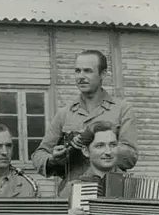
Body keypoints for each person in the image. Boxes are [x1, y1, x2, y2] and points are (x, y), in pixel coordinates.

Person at [31, 50, 139, 192]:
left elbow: (130, 157)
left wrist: (97, 143)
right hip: (72, 190)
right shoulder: (65, 113)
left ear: (103, 74)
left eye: (88, 71)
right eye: (77, 71)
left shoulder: (122, 109)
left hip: (112, 189)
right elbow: (38, 156)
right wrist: (54, 158)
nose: (81, 77)